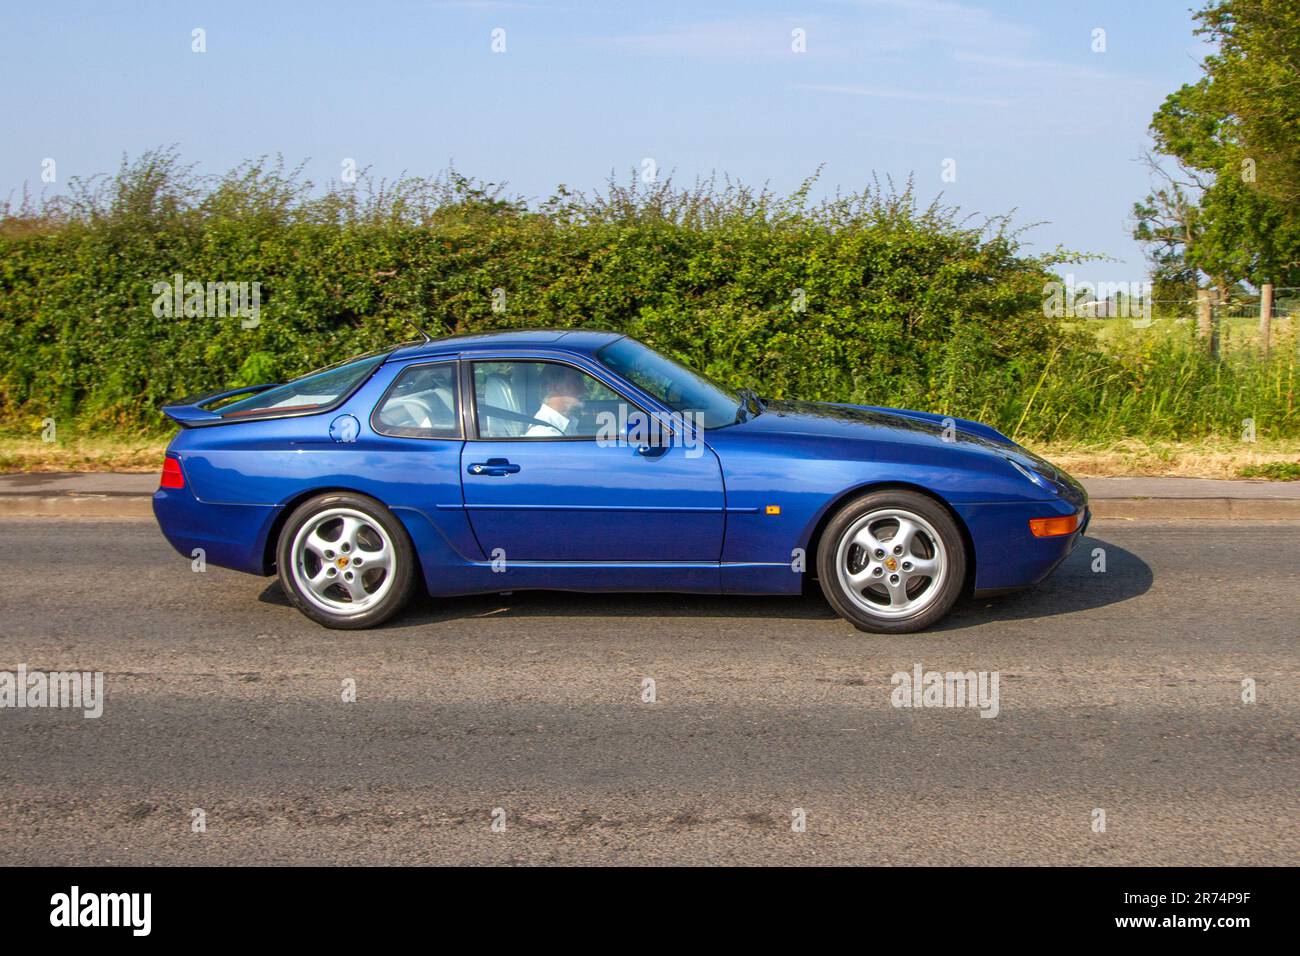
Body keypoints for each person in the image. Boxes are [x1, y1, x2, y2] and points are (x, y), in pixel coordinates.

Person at [525, 364, 587, 436]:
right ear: (555, 387)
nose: (584, 390)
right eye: (577, 383)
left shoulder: (566, 424)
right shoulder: (544, 433)